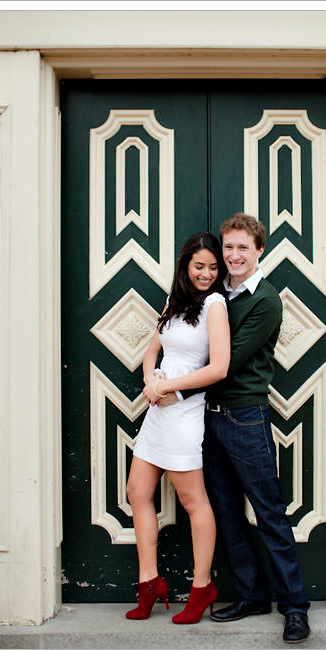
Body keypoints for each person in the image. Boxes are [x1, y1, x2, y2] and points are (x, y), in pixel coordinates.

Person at [155, 213, 311, 644]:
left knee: (269, 513)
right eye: (229, 248)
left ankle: (295, 607)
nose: (234, 255)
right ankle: (252, 595)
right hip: (208, 416)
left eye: (243, 248)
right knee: (225, 512)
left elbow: (227, 362)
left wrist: (173, 389)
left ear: (260, 250)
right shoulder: (213, 293)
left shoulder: (266, 301)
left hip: (245, 417)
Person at [125, 232, 230, 625]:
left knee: (193, 502)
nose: (206, 274)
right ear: (185, 265)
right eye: (199, 266)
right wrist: (150, 380)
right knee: (137, 492)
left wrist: (168, 386)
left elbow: (218, 367)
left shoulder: (215, 305)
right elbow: (154, 349)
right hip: (158, 414)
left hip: (185, 415)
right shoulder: (174, 302)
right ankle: (149, 582)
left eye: (213, 267)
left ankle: (202, 587)